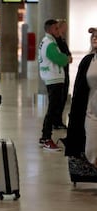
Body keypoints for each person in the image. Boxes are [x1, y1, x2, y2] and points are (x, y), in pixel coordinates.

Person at [63, 27, 97, 166]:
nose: (94, 38)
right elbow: (79, 88)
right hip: (92, 112)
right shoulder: (89, 60)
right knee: (92, 149)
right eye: (93, 36)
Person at [38, 19, 70, 151]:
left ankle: (45, 137)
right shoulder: (50, 44)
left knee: (52, 108)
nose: (59, 31)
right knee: (52, 109)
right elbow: (59, 59)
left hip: (52, 78)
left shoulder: (46, 42)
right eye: (56, 28)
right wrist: (66, 58)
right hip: (54, 79)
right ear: (51, 30)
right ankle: (46, 138)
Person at [55, 19, 73, 129]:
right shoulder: (57, 41)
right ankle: (56, 121)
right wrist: (67, 58)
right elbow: (61, 55)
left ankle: (58, 120)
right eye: (64, 27)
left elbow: (67, 53)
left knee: (63, 97)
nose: (66, 29)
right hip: (60, 72)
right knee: (59, 98)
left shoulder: (62, 39)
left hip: (65, 71)